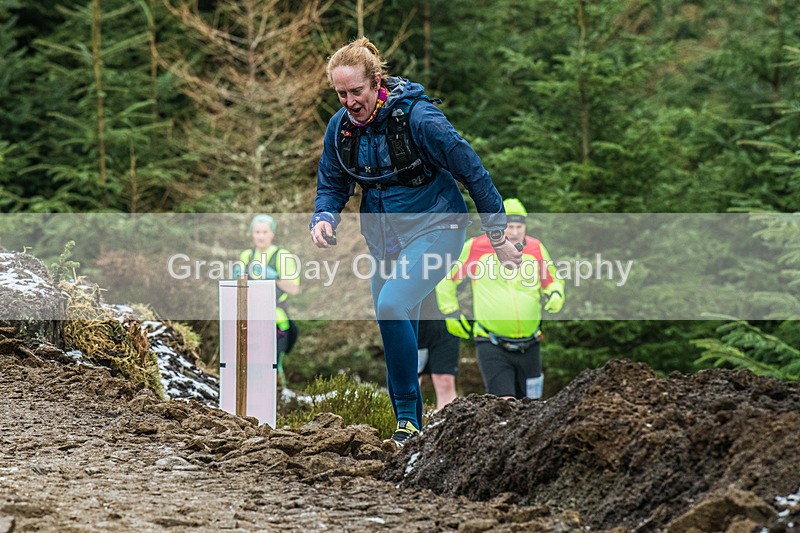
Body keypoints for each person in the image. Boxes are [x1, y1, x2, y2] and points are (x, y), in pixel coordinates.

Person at [309, 37, 521, 447]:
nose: (350, 102)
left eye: (357, 92)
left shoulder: (419, 119)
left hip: (438, 229)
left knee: (392, 302)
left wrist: (496, 235)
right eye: (341, 94)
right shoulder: (341, 129)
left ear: (377, 83)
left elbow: (472, 171)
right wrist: (324, 217)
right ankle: (407, 427)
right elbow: (332, 183)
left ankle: (410, 421)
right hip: (385, 243)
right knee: (391, 320)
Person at [436, 198, 564, 400]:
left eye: (519, 226)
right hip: (492, 343)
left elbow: (552, 280)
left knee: (533, 407)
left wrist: (556, 293)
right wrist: (450, 311)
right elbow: (446, 279)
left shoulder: (536, 249)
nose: (514, 232)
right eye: (509, 226)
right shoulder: (477, 247)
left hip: (530, 344)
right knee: (505, 404)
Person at [233, 214, 300, 387]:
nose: (261, 236)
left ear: (272, 234)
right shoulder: (246, 256)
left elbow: (294, 288)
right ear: (252, 234)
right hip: (250, 320)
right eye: (257, 232)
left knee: (273, 366)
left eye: (265, 232)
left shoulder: (282, 256)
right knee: (249, 367)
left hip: (276, 322)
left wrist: (274, 276)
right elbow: (237, 286)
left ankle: (279, 401)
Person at [417, 290, 460, 410]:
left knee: (445, 381)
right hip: (410, 321)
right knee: (408, 383)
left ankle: (448, 425)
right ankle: (405, 424)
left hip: (444, 320)